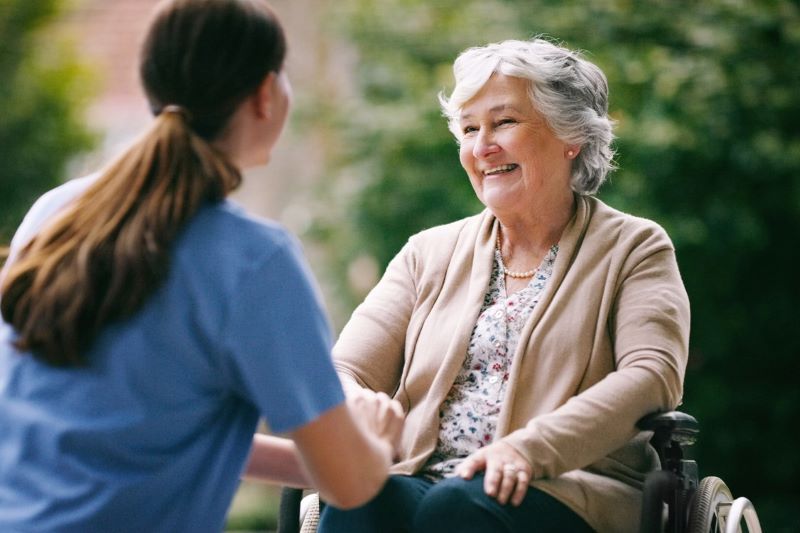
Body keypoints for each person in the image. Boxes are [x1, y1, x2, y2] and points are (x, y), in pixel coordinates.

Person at [0, 0, 403, 531]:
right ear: (265, 94)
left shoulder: (56, 212)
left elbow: (137, 431)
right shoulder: (256, 260)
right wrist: (375, 444)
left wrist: (319, 461)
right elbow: (353, 484)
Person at [318, 38, 691, 533]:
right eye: (470, 129)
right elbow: (345, 369)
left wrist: (530, 449)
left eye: (504, 123)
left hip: (566, 487)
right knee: (359, 499)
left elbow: (652, 375)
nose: (482, 146)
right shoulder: (426, 252)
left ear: (570, 135)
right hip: (423, 478)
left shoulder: (634, 248)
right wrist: (357, 401)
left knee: (457, 509)